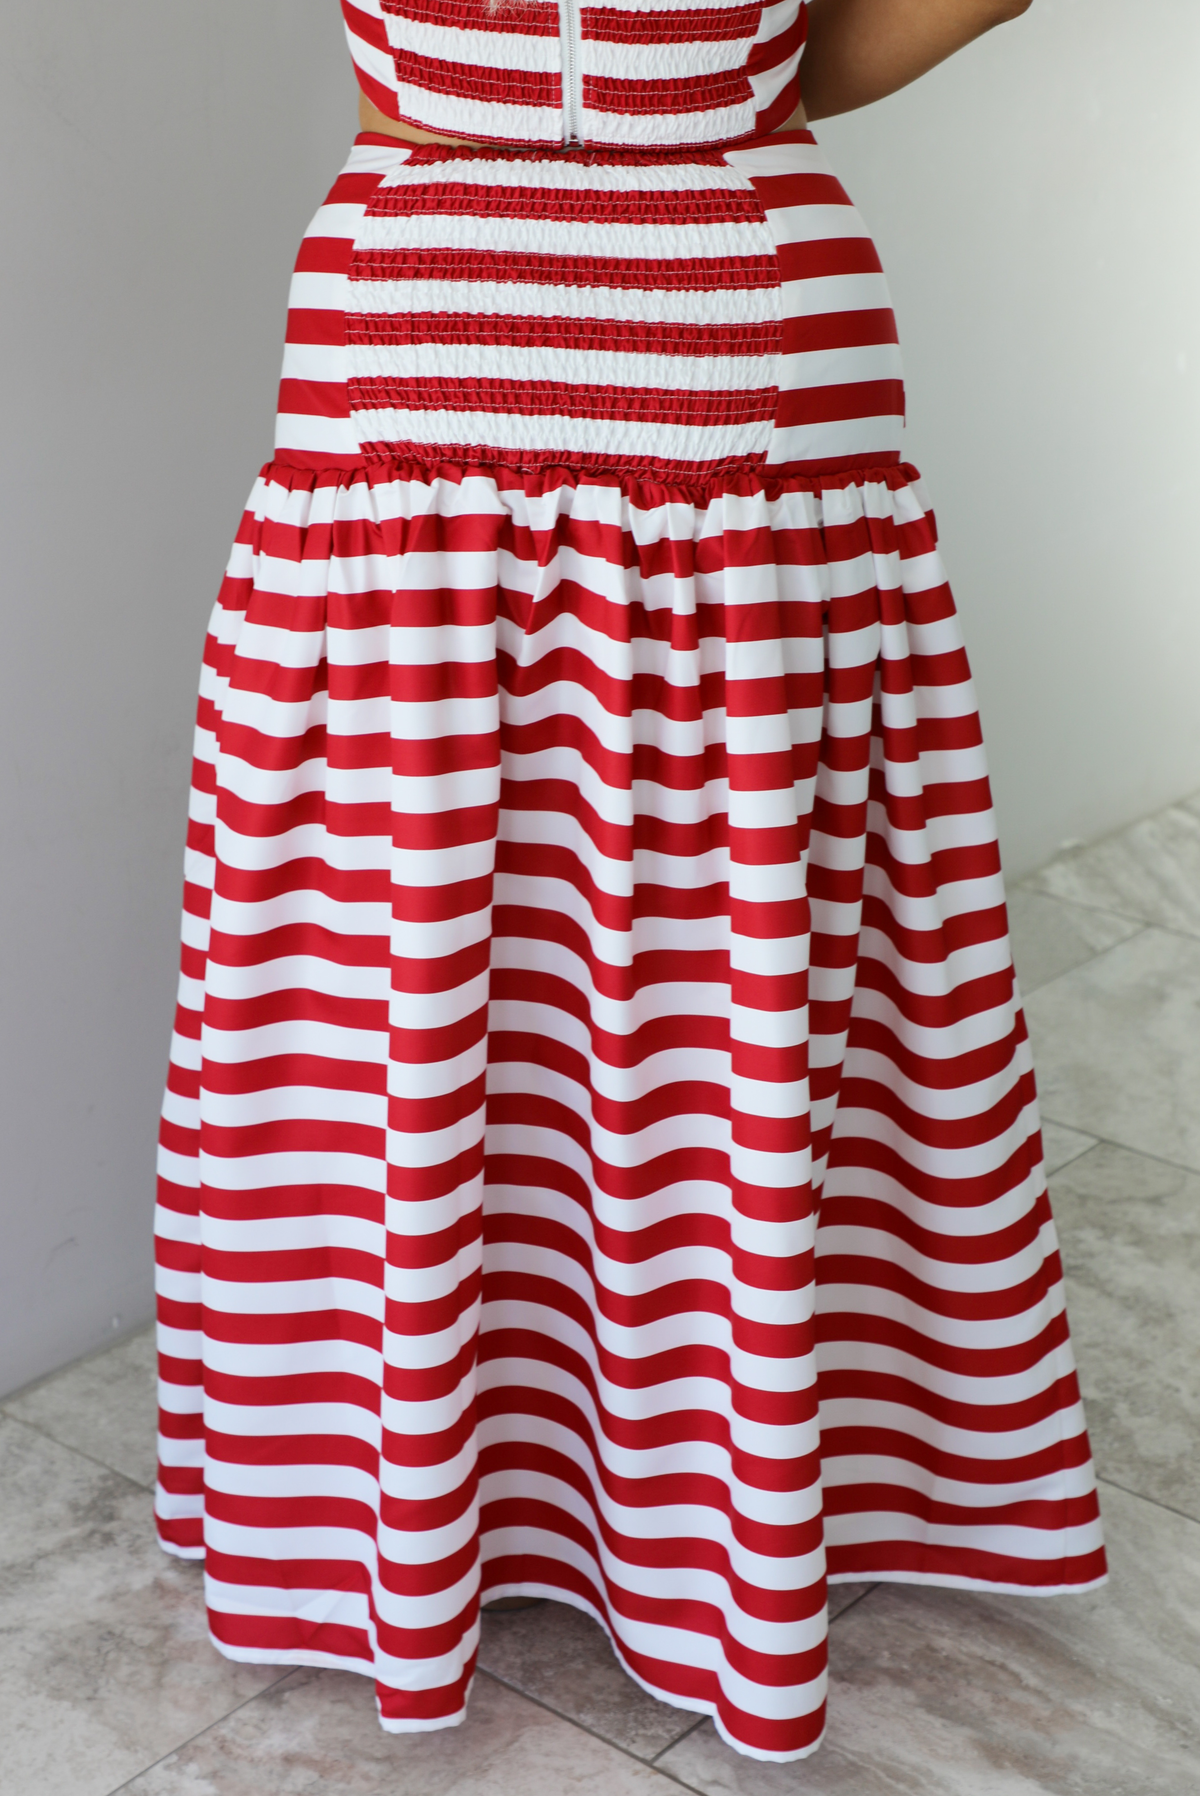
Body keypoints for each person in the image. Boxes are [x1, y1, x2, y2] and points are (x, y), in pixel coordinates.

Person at [154, 0, 1105, 1762]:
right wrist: (731, 78)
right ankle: (716, 1514)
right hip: (728, 300)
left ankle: (405, 1499)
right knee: (738, 954)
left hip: (432, 298)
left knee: (397, 942)